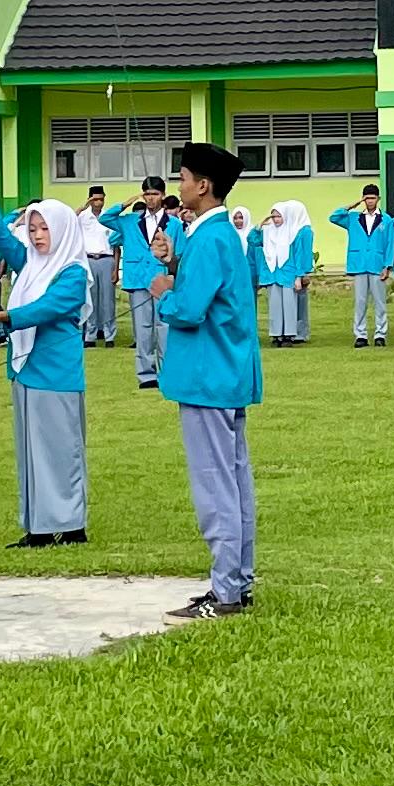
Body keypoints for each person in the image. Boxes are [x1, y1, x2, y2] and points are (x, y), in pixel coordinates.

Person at [153, 140, 263, 617]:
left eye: (182, 178)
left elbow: (190, 308)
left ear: (202, 186)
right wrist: (174, 262)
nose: (177, 186)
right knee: (234, 483)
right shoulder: (218, 235)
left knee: (215, 486)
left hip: (207, 377)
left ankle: (225, 592)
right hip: (226, 375)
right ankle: (237, 581)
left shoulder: (210, 237)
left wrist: (164, 291)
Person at [0, 200, 96, 547]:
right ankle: (39, 527)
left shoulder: (73, 272)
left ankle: (71, 525)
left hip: (56, 372)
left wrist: (3, 317)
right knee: (31, 451)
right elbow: (3, 239)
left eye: (45, 228)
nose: (38, 235)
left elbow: (49, 308)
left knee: (61, 449)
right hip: (26, 368)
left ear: (63, 230)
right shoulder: (33, 264)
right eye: (32, 229)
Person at [121, 176, 171, 389]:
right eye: (147, 194)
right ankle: (146, 374)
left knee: (164, 327)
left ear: (163, 195)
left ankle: (167, 372)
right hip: (138, 279)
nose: (151, 198)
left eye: (155, 194)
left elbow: (181, 252)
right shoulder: (130, 220)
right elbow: (105, 219)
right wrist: (125, 203)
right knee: (142, 329)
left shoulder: (174, 223)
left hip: (162, 279)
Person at [338, 181, 394, 345]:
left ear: (378, 199)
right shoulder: (353, 218)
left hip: (377, 264)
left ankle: (380, 334)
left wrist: (387, 266)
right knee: (360, 302)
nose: (370, 201)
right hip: (359, 264)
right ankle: (361, 335)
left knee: (380, 302)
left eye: (372, 198)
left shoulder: (386, 219)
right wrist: (354, 204)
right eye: (367, 198)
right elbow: (334, 216)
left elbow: (390, 243)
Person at [259, 199, 315, 344]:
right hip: (273, 274)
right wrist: (260, 226)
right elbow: (253, 240)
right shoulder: (268, 232)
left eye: (279, 216)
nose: (276, 219)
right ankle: (276, 334)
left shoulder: (293, 233)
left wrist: (299, 275)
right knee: (275, 306)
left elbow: (298, 255)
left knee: (290, 305)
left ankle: (289, 334)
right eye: (273, 216)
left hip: (288, 274)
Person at [82, 187, 120, 346]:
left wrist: (116, 269)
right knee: (90, 299)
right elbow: (68, 222)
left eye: (101, 199)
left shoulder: (108, 217)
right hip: (88, 259)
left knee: (108, 301)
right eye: (95, 199)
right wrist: (84, 206)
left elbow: (116, 245)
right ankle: (90, 335)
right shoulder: (82, 217)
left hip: (106, 259)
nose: (98, 202)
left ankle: (109, 335)